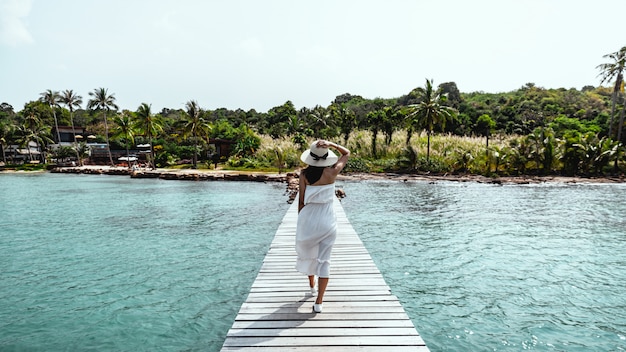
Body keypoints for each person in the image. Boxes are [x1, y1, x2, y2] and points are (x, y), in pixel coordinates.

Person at [295, 140, 350, 313]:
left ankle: (312, 286)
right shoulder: (332, 172)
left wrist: (301, 220)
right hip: (327, 220)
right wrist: (331, 144)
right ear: (326, 158)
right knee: (324, 260)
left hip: (308, 218)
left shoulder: (304, 174)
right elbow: (346, 153)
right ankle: (319, 302)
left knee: (308, 252)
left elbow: (301, 201)